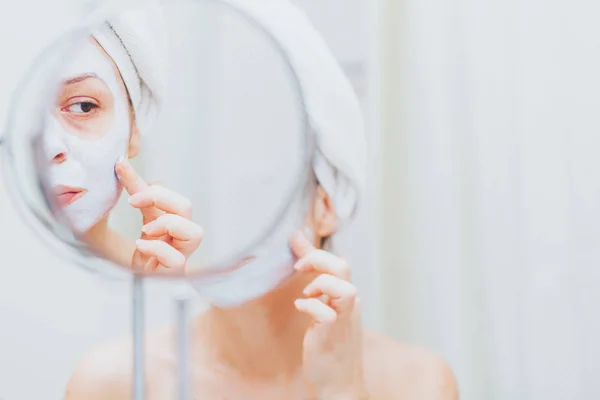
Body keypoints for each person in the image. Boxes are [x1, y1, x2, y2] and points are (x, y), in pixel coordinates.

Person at [64, 1, 459, 398]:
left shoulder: (418, 382)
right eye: (210, 181)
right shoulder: (113, 381)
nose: (238, 214)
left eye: (269, 185)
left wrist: (341, 390)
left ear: (326, 205)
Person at [41, 9, 201, 274]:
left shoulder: (192, 298)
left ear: (133, 131)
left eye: (82, 106)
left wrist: (153, 295)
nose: (50, 146)